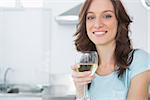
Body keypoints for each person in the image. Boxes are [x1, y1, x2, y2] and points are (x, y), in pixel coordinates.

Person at [71, 0, 150, 100]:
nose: (97, 24)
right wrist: (80, 90)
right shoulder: (86, 68)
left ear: (119, 21)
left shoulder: (139, 60)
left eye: (107, 16)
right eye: (91, 17)